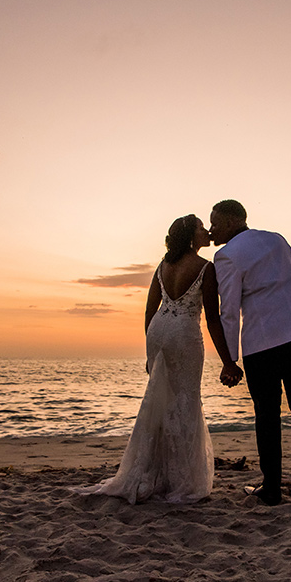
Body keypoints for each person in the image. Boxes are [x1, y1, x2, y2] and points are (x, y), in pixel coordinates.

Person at [75, 214, 241, 504]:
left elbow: (150, 310)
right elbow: (213, 318)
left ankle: (153, 470)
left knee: (159, 399)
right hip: (184, 333)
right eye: (202, 228)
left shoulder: (163, 266)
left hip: (159, 331)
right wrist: (228, 360)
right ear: (191, 236)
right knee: (186, 400)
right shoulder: (206, 268)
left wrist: (149, 353)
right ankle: (182, 479)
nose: (206, 232)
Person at [209, 199, 291, 506]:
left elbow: (228, 310)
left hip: (261, 342)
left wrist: (230, 360)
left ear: (230, 222)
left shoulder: (225, 255)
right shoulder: (276, 239)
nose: (211, 228)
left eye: (214, 222)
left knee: (267, 415)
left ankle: (271, 489)